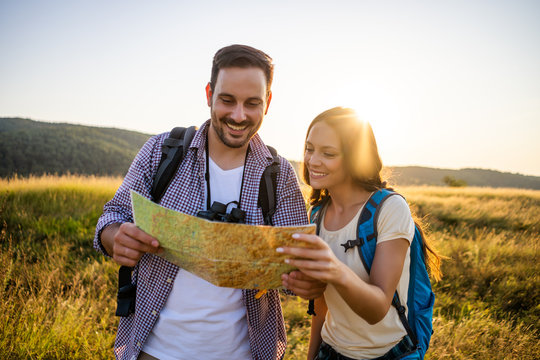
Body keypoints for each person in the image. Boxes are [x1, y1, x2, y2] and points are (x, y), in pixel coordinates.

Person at [94, 44, 325, 360]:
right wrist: (115, 236)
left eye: (252, 103)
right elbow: (113, 215)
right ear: (208, 94)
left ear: (268, 102)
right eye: (227, 100)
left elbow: (294, 266)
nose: (238, 116)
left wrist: (305, 281)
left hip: (243, 353)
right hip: (153, 350)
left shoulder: (278, 173)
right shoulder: (162, 151)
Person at [278, 107, 442, 360]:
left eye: (328, 153)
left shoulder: (390, 209)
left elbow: (377, 309)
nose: (312, 160)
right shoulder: (316, 215)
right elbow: (322, 308)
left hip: (389, 353)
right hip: (331, 351)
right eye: (309, 149)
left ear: (356, 158)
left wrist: (333, 269)